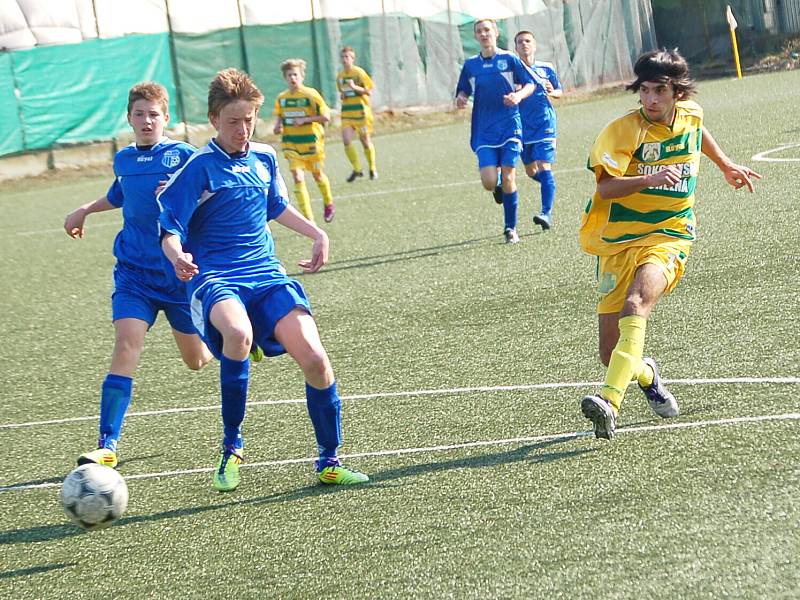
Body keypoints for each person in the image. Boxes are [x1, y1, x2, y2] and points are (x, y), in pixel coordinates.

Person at [158, 68, 369, 491]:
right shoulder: (200, 166)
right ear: (215, 120)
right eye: (233, 121)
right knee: (237, 334)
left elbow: (275, 206)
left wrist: (316, 232)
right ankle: (231, 447)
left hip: (267, 274)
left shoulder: (265, 157)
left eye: (249, 119)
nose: (243, 129)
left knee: (315, 358)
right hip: (216, 275)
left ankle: (329, 459)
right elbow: (170, 226)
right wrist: (177, 253)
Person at [579, 48, 761, 440]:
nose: (651, 100)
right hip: (617, 241)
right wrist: (650, 178)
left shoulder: (691, 111)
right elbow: (606, 187)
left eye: (659, 90)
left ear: (677, 91)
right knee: (612, 356)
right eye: (644, 91)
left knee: (637, 303)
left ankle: (608, 402)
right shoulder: (622, 131)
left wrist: (725, 164)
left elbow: (697, 131)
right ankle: (647, 374)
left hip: (671, 232)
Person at [64, 82, 213, 468]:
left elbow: (212, 195)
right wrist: (84, 209)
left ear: (167, 118)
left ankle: (232, 339)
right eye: (139, 114)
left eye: (154, 114)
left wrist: (185, 193)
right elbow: (120, 195)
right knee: (126, 344)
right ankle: (107, 444)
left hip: (178, 274)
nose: (147, 121)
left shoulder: (184, 156)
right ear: (129, 118)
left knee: (196, 361)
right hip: (134, 275)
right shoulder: (125, 159)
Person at [455, 19, 535, 244]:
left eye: (487, 30)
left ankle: (510, 228)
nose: (483, 34)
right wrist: (461, 97)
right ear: (475, 36)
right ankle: (496, 184)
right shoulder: (471, 65)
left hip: (510, 125)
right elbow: (463, 89)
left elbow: (530, 83)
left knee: (510, 175)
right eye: (479, 31)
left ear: (496, 33)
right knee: (489, 181)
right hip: (484, 129)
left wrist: (518, 96)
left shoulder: (509, 59)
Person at [273, 58, 336, 223]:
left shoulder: (311, 95)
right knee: (298, 177)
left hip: (312, 144)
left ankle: (328, 203)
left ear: (302, 76)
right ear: (285, 78)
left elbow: (326, 117)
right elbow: (280, 116)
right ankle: (309, 219)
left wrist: (305, 120)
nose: (292, 78)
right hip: (291, 144)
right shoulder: (282, 98)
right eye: (289, 75)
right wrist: (277, 126)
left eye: (295, 74)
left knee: (317, 176)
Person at [514, 30, 563, 231]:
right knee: (531, 171)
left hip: (545, 124)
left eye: (528, 41)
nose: (524, 44)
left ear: (534, 45)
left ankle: (546, 213)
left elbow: (560, 91)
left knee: (544, 167)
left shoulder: (546, 68)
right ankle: (548, 184)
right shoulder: (512, 70)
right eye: (520, 42)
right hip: (522, 127)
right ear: (516, 48)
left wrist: (553, 91)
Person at [336, 46, 378, 181]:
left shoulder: (359, 73)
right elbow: (343, 92)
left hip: (361, 113)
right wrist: (343, 95)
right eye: (342, 57)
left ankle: (372, 168)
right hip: (347, 113)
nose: (344, 60)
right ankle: (357, 168)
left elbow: (369, 91)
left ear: (352, 58)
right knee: (346, 140)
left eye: (347, 57)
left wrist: (355, 87)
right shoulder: (340, 76)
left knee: (365, 141)